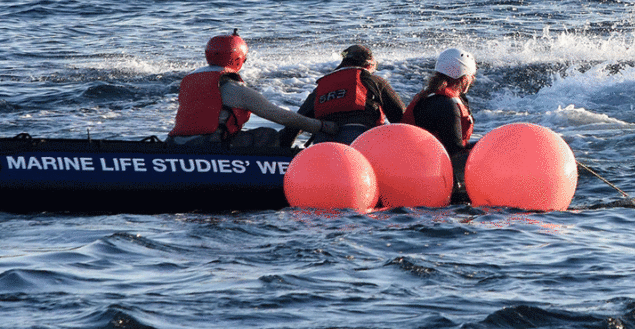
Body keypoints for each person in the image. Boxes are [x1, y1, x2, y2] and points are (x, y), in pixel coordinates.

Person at [167, 30, 338, 149]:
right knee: (268, 134)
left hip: (175, 143)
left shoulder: (190, 81)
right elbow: (279, 115)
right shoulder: (233, 88)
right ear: (238, 60)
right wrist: (321, 126)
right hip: (209, 144)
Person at [278, 44, 407, 146]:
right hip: (361, 143)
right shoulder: (375, 81)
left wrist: (283, 152)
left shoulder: (322, 86)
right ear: (369, 64)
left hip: (324, 144)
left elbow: (296, 123)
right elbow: (402, 118)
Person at [402, 47, 477, 202]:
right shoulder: (446, 104)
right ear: (463, 78)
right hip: (430, 171)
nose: (472, 80)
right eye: (471, 76)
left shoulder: (428, 96)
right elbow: (454, 149)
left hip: (415, 165)